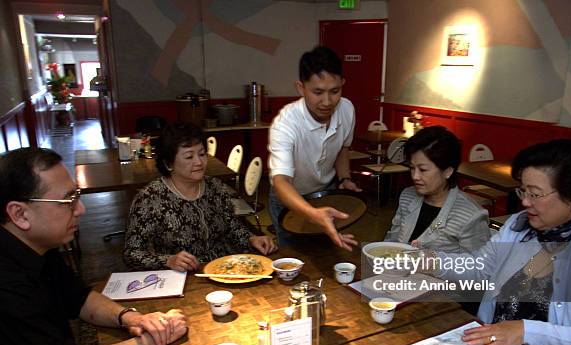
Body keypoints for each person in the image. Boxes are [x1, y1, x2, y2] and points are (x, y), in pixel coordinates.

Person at [426, 139, 571, 345]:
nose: (524, 202)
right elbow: (481, 267)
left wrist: (526, 331)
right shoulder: (520, 226)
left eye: (535, 194)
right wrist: (432, 260)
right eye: (522, 191)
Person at [0, 148, 188, 345]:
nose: (81, 210)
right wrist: (155, 337)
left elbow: (79, 298)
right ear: (20, 214)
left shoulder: (37, 244)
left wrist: (130, 317)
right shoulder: (7, 283)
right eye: (68, 200)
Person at [124, 122, 276, 272]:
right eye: (189, 157)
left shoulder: (215, 186)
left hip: (225, 269)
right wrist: (168, 260)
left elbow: (232, 226)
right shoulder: (150, 199)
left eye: (202, 154)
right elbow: (132, 254)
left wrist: (252, 238)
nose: (199, 162)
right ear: (168, 163)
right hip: (185, 277)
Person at [268, 45, 361, 250]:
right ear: (300, 88)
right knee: (294, 257)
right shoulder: (286, 123)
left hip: (324, 195)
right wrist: (312, 214)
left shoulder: (346, 109)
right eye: (317, 92)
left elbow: (342, 149)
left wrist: (344, 178)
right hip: (289, 199)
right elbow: (281, 181)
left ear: (343, 85)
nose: (327, 102)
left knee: (327, 254)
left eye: (334, 91)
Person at [384, 126, 490, 253]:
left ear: (448, 171)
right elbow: (393, 240)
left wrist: (435, 265)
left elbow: (479, 268)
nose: (415, 176)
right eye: (412, 168)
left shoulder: (471, 216)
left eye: (423, 170)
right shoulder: (408, 196)